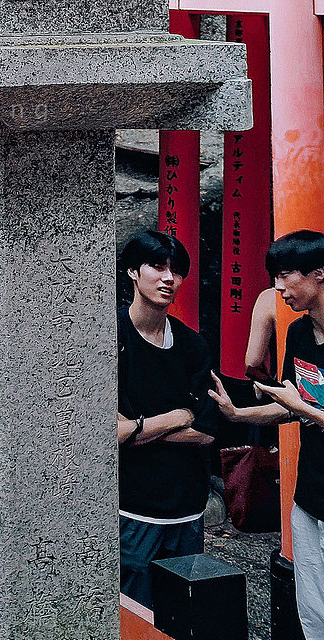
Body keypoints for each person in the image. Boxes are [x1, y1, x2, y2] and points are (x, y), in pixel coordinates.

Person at [209, 231, 324, 639]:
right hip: (310, 496)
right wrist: (237, 415)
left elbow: (301, 407)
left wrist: (303, 410)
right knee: (313, 613)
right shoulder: (297, 333)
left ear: (319, 274)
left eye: (285, 275)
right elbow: (289, 403)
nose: (277, 287)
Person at [116, 229, 218, 609]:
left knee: (182, 613)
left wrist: (138, 428)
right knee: (134, 613)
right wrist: (179, 415)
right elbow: (107, 432)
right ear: (132, 272)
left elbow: (208, 432)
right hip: (133, 505)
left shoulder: (193, 345)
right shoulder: (113, 338)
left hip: (188, 506)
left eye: (175, 270)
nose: (168, 278)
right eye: (157, 267)